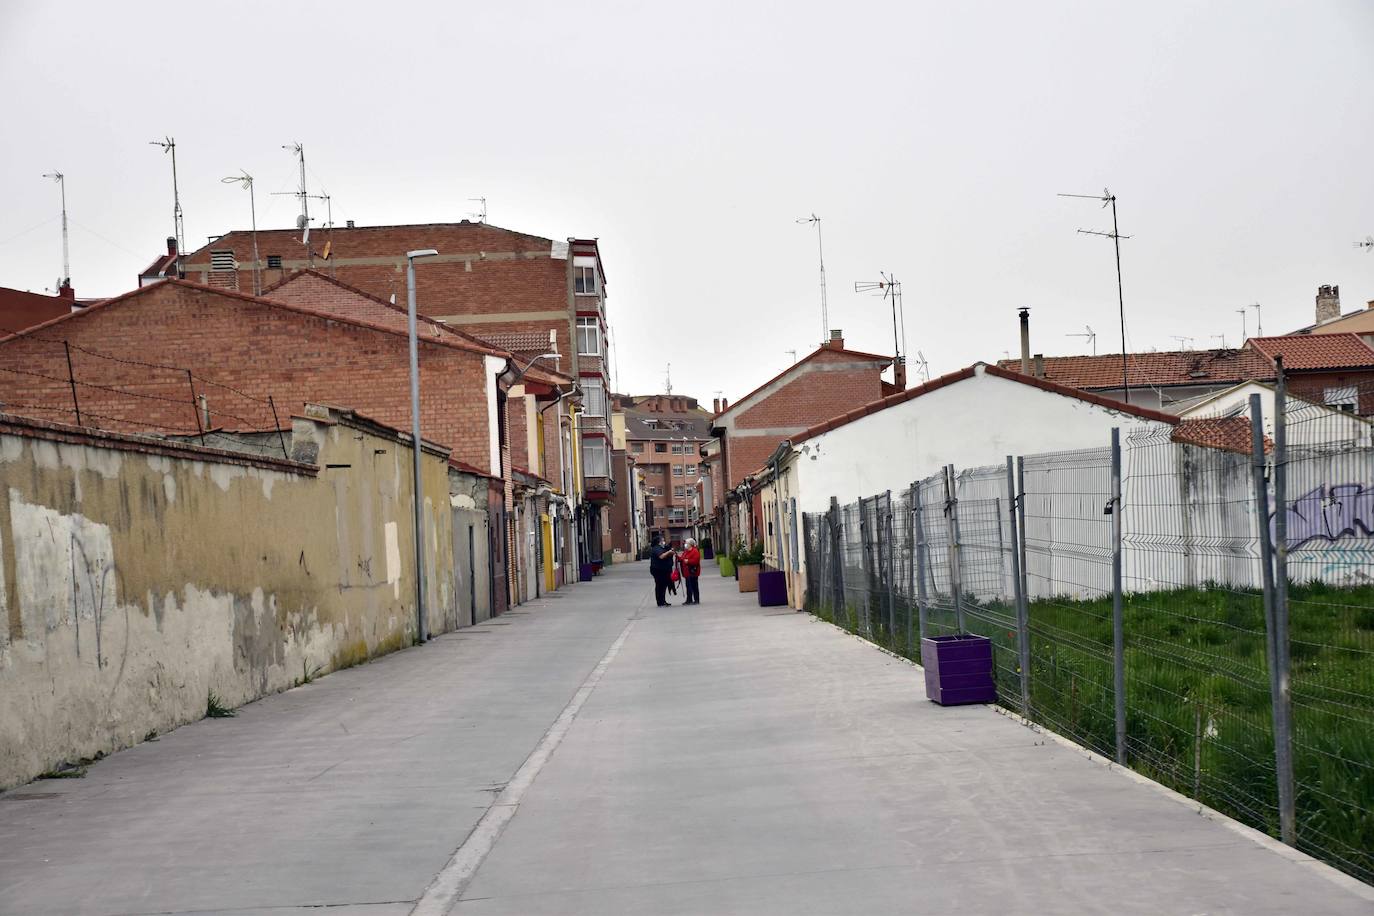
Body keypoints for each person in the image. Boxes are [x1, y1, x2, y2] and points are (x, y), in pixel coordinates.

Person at [649, 535, 676, 607]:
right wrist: (669, 552)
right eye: (663, 540)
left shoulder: (661, 548)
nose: (664, 542)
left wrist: (670, 551)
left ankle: (663, 601)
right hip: (658, 570)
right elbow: (661, 556)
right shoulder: (656, 548)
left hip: (664, 570)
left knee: (663, 586)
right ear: (659, 542)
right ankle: (660, 602)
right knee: (659, 586)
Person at [679, 537, 702, 605]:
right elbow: (682, 558)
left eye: (686, 543)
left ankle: (696, 600)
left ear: (690, 544)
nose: (685, 544)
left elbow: (696, 561)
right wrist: (678, 557)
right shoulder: (686, 551)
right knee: (688, 586)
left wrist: (688, 561)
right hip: (687, 572)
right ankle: (689, 600)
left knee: (694, 586)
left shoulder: (695, 551)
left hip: (692, 571)